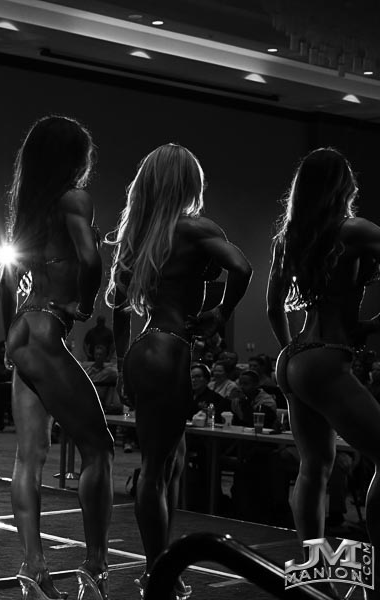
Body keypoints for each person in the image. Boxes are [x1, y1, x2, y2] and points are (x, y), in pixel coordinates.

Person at [107, 143, 252, 598]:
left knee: (165, 467)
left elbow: (118, 310)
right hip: (171, 349)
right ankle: (159, 577)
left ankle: (162, 571)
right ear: (189, 183)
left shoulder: (138, 235)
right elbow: (242, 267)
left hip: (144, 348)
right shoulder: (194, 228)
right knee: (156, 471)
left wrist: (122, 363)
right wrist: (222, 313)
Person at [0, 115, 113, 600]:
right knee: (99, 448)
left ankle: (33, 566)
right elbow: (91, 259)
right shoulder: (74, 199)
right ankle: (95, 566)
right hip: (48, 330)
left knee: (29, 456)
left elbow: (7, 277)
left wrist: (8, 337)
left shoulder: (29, 210)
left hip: (24, 329)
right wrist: (86, 303)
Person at [267, 147, 380, 599]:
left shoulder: (290, 237)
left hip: (294, 356)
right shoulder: (352, 229)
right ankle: (377, 573)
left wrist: (292, 352)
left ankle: (317, 581)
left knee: (314, 468)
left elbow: (273, 307)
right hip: (325, 358)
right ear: (343, 186)